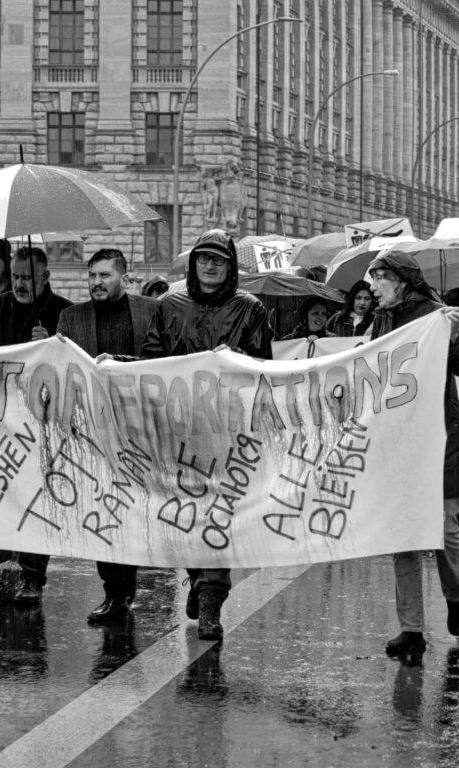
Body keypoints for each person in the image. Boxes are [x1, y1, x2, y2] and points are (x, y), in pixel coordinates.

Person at [140, 228, 273, 641]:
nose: (210, 266)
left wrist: (234, 362)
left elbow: (262, 367)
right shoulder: (168, 305)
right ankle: (198, 577)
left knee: (220, 516)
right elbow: (149, 361)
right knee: (186, 514)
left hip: (227, 432)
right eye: (204, 258)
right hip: (178, 429)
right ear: (194, 262)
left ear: (230, 266)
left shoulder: (249, 308)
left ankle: (212, 600)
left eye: (218, 259)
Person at [368, 250, 459, 661]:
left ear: (400, 280)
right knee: (403, 535)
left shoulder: (440, 317)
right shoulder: (382, 320)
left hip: (439, 438)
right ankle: (412, 630)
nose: (371, 286)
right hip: (399, 441)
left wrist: (455, 336)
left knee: (443, 530)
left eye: (378, 277)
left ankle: (455, 597)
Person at [55, 248, 160, 624]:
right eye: (92, 276)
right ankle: (113, 593)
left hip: (137, 429)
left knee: (131, 511)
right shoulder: (70, 318)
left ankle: (125, 590)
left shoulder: (150, 311)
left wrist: (120, 366)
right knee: (101, 509)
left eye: (105, 275)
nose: (97, 282)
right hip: (90, 432)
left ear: (123, 277)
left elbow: (159, 362)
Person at [0, 246, 73, 603]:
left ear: (45, 277)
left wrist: (52, 347)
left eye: (28, 277)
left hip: (44, 423)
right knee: (6, 493)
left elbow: (77, 366)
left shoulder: (64, 313)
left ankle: (32, 576)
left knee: (39, 496)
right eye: (16, 277)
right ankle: (7, 550)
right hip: (1, 421)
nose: (20, 284)